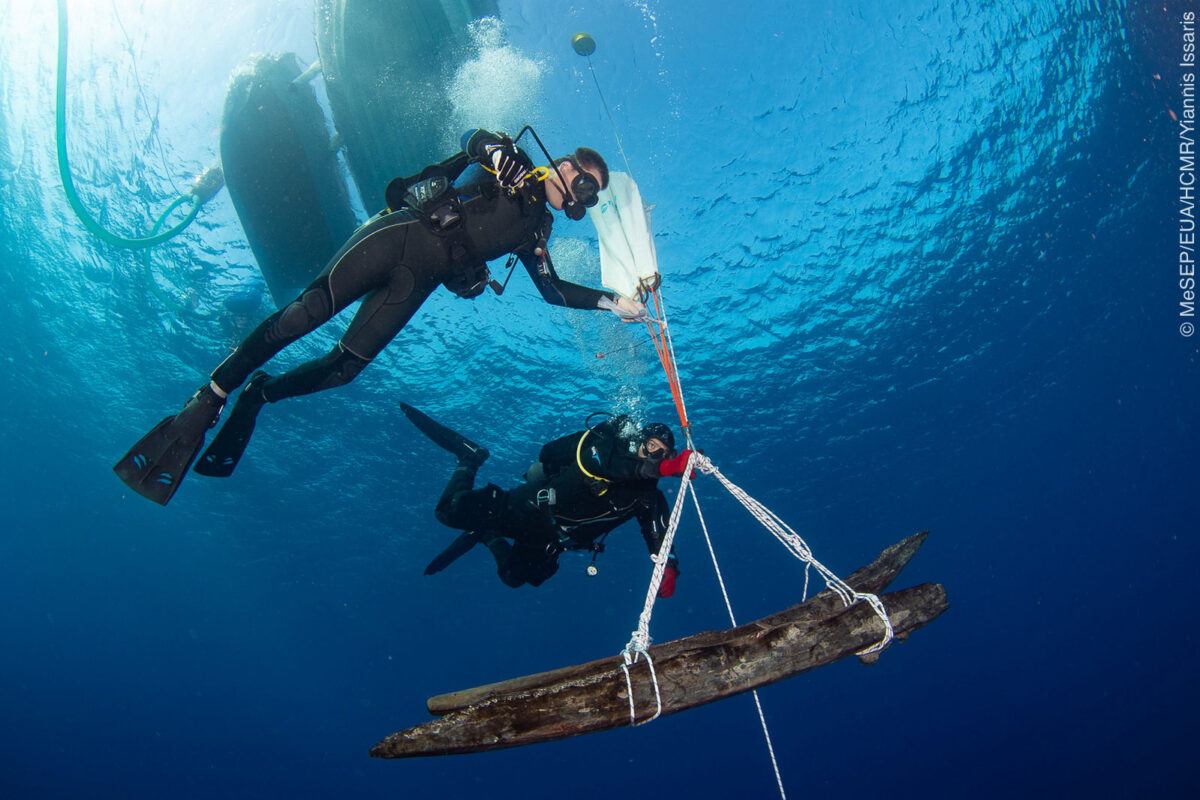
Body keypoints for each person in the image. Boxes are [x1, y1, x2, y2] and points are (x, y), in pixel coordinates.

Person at [114, 129, 647, 505]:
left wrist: (613, 303)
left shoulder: (537, 232)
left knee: (347, 367)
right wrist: (494, 151)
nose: (582, 184)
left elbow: (552, 290)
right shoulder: (509, 155)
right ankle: (212, 393)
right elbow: (471, 139)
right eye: (581, 173)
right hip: (398, 236)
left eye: (591, 189)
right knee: (304, 314)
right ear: (565, 164)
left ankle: (260, 392)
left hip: (415, 281)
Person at [400, 402, 694, 593]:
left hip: (548, 531)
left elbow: (661, 533)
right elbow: (604, 464)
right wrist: (668, 466)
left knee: (517, 577)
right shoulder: (607, 449)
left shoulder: (647, 496)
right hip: (521, 505)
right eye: (653, 446)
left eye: (665, 454)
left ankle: (486, 535)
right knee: (446, 512)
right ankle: (470, 457)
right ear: (640, 441)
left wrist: (668, 567)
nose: (657, 455)